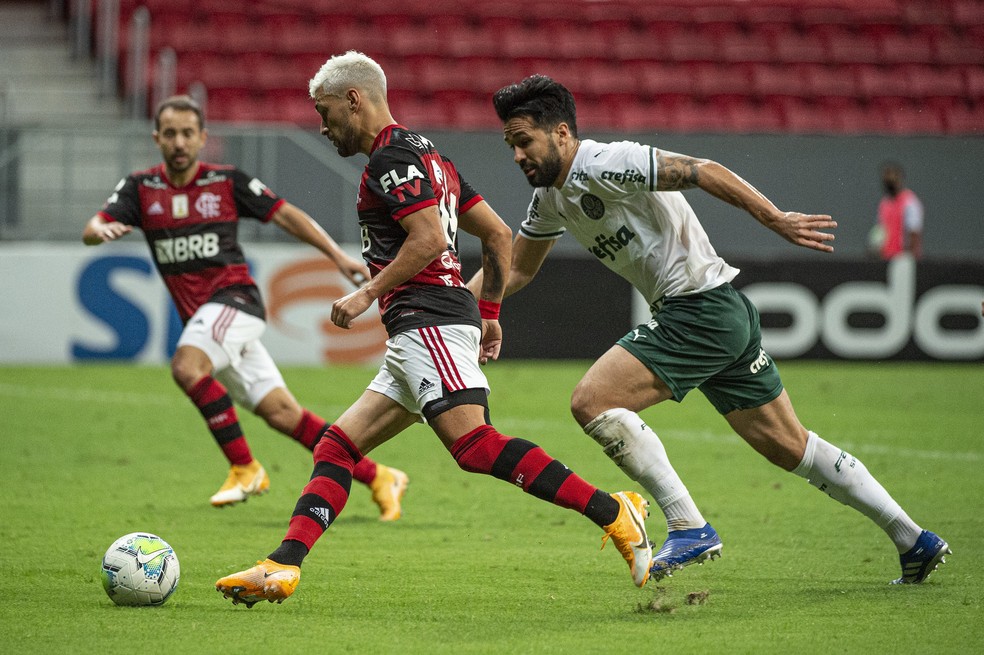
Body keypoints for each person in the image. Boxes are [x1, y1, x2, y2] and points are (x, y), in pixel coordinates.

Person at [471, 74, 949, 585]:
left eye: (524, 141)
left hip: (696, 309)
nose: (517, 155)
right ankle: (913, 539)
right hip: (722, 313)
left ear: (562, 134)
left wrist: (774, 218)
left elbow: (701, 170)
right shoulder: (550, 199)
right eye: (510, 145)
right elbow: (517, 268)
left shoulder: (606, 163)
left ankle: (688, 524)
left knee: (592, 401)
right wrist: (458, 302)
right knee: (792, 447)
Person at [215, 52, 653, 607]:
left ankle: (615, 512)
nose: (323, 127)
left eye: (325, 113)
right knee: (338, 445)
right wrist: (489, 314)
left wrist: (366, 293)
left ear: (355, 98)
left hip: (430, 322)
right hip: (420, 330)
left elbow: (428, 240)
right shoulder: (432, 157)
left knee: (473, 445)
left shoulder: (390, 160)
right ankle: (281, 566)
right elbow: (496, 233)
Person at [83, 94, 409, 520]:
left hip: (235, 301)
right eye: (170, 134)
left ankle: (244, 467)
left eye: (187, 133)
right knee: (283, 414)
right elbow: (96, 225)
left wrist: (336, 256)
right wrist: (97, 233)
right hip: (207, 320)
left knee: (186, 367)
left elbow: (286, 214)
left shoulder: (226, 180)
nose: (179, 142)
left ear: (202, 138)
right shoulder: (141, 189)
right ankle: (380, 476)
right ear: (157, 138)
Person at [872, 162, 923, 260]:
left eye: (892, 179)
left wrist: (910, 259)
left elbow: (914, 233)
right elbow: (881, 231)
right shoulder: (884, 203)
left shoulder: (910, 201)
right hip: (886, 258)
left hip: (903, 259)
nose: (889, 183)